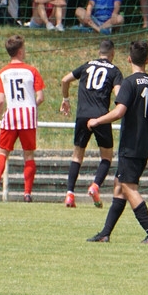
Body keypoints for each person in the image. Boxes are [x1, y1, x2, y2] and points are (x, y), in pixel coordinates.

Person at [86, 40, 148, 244]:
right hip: (144, 145)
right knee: (119, 187)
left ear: (129, 59)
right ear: (147, 60)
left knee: (128, 187)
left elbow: (119, 111)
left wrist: (97, 120)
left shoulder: (130, 83)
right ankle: (105, 233)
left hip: (130, 144)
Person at [59, 38, 123, 208]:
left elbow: (65, 80)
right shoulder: (115, 71)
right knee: (106, 156)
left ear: (99, 52)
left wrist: (66, 99)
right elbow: (119, 94)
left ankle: (70, 194)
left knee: (77, 155)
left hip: (82, 116)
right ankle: (95, 186)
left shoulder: (87, 65)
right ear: (113, 53)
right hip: (101, 117)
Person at [0, 35, 45, 203]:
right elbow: (40, 97)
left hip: (10, 115)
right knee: (29, 155)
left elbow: (0, 100)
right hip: (28, 117)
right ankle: (27, 194)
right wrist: (31, 106)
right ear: (20, 51)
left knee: (2, 152)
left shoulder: (2, 72)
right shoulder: (32, 71)